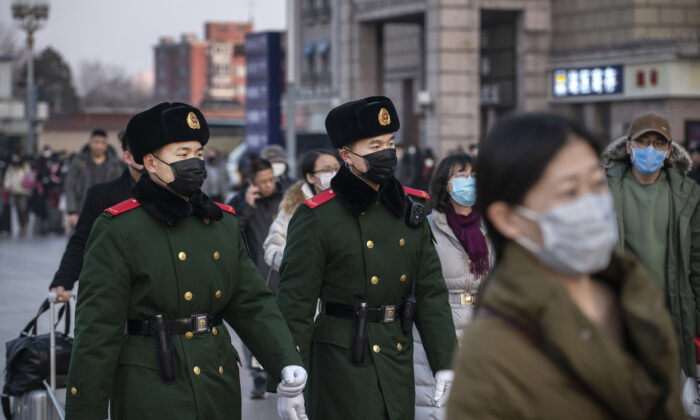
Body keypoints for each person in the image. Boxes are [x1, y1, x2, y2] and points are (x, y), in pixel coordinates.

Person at [64, 102, 308, 420]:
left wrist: (285, 361)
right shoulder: (119, 229)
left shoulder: (221, 223)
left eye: (198, 153)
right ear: (150, 162)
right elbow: (97, 333)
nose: (194, 162)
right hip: (151, 387)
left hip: (216, 382)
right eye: (182, 154)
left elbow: (252, 303)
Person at [446, 113, 684, 420]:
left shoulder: (634, 290)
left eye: (597, 183)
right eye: (569, 192)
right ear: (508, 218)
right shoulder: (491, 354)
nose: (592, 204)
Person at [276, 96, 457, 419]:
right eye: (374, 146)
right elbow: (296, 305)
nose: (386, 154)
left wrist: (445, 362)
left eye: (390, 143)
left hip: (396, 352)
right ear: (346, 155)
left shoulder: (409, 208)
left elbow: (431, 292)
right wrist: (290, 374)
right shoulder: (318, 216)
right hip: (341, 359)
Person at [601, 112, 700, 410]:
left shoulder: (687, 194)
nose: (650, 149)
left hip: (669, 318)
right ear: (629, 147)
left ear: (669, 150)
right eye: (643, 142)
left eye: (658, 143)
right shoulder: (603, 190)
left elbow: (697, 259)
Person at [414, 152, 495, 419]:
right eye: (461, 176)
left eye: (473, 176)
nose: (468, 181)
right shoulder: (427, 229)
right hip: (438, 330)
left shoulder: (491, 228)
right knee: (437, 408)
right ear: (444, 184)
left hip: (480, 332)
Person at [49, 131, 146, 303]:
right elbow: (82, 240)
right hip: (115, 291)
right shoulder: (97, 192)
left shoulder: (174, 194)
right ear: (127, 156)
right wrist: (63, 281)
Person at [228, 157, 284, 398]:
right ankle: (258, 377)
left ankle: (280, 371)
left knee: (281, 327)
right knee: (254, 329)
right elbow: (230, 232)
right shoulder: (238, 202)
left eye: (271, 179)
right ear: (251, 182)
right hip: (254, 275)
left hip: (282, 275)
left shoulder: (285, 199)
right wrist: (248, 206)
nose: (269, 184)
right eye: (263, 181)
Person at [263, 149, 341, 274]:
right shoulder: (294, 207)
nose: (333, 173)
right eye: (326, 170)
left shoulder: (350, 202)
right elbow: (272, 250)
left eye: (337, 168)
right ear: (310, 177)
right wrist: (298, 253)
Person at [63, 128, 123, 227]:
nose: (99, 145)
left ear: (106, 144)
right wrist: (72, 212)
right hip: (82, 211)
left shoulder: (114, 164)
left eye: (102, 143)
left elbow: (120, 188)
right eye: (96, 142)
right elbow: (70, 186)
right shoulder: (79, 162)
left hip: (108, 214)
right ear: (89, 142)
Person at [2, 153, 31, 236]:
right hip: (14, 191)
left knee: (22, 207)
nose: (14, 159)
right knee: (17, 208)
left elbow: (29, 177)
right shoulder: (11, 167)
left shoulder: (25, 166)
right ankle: (21, 224)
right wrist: (7, 186)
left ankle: (25, 222)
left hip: (23, 191)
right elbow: (8, 177)